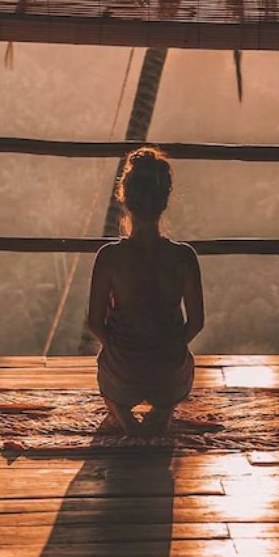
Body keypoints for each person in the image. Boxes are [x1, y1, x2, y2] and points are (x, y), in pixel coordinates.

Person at [86, 147, 205, 436]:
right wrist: (169, 346)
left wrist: (118, 349)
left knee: (109, 373)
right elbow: (197, 323)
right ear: (164, 200)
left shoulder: (109, 257)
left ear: (124, 198)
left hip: (123, 372)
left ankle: (122, 411)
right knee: (176, 367)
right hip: (168, 374)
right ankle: (164, 407)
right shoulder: (184, 257)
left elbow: (94, 322)